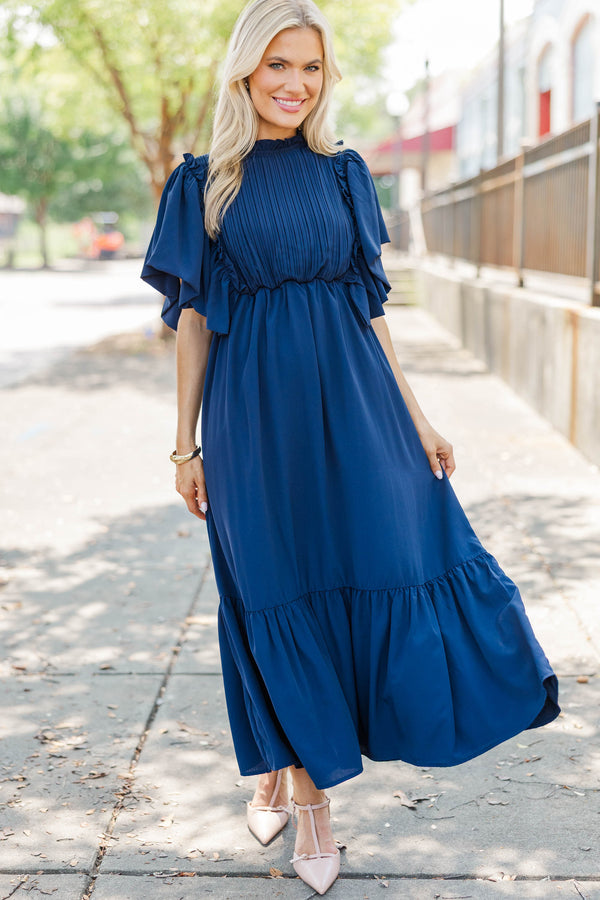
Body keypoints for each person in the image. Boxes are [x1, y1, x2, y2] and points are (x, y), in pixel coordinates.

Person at [141, 0, 560, 893]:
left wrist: (418, 419)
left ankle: (293, 780)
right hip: (253, 419)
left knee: (382, 565)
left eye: (312, 68)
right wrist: (185, 447)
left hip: (358, 409)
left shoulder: (343, 174)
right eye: (278, 66)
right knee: (273, 589)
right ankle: (307, 796)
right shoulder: (203, 181)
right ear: (245, 71)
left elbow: (372, 316)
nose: (295, 84)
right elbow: (194, 323)